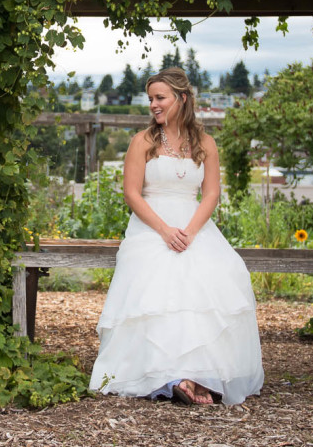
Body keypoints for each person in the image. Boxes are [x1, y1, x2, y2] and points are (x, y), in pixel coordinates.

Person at [89, 67, 264, 405]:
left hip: (193, 225)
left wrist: (190, 232)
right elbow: (132, 193)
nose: (153, 105)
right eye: (150, 99)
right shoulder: (142, 142)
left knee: (217, 278)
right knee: (159, 286)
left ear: (182, 99)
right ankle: (171, 376)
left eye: (160, 98)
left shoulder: (206, 143)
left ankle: (200, 376)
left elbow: (211, 193)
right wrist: (165, 231)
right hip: (152, 225)